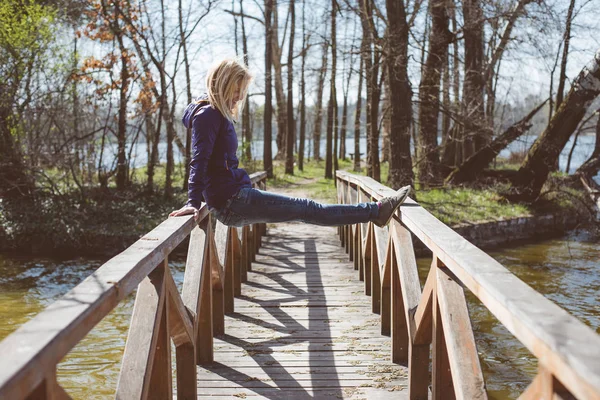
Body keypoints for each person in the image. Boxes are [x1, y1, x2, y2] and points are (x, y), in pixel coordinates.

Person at [169, 58, 411, 228]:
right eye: (236, 90)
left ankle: (376, 212)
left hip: (235, 196)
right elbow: (198, 160)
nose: (239, 97)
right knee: (307, 208)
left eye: (241, 91)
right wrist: (193, 202)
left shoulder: (213, 113)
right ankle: (377, 212)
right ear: (223, 84)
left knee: (306, 209)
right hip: (232, 202)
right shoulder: (208, 115)